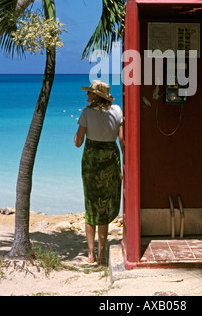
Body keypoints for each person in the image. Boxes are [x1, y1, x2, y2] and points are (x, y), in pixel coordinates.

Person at [74, 80, 124, 265]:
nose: (87, 96)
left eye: (89, 93)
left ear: (96, 96)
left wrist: (78, 136)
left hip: (92, 162)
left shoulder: (87, 113)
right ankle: (102, 255)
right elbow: (122, 139)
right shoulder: (117, 110)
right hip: (111, 160)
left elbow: (78, 142)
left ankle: (91, 255)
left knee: (91, 204)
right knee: (104, 206)